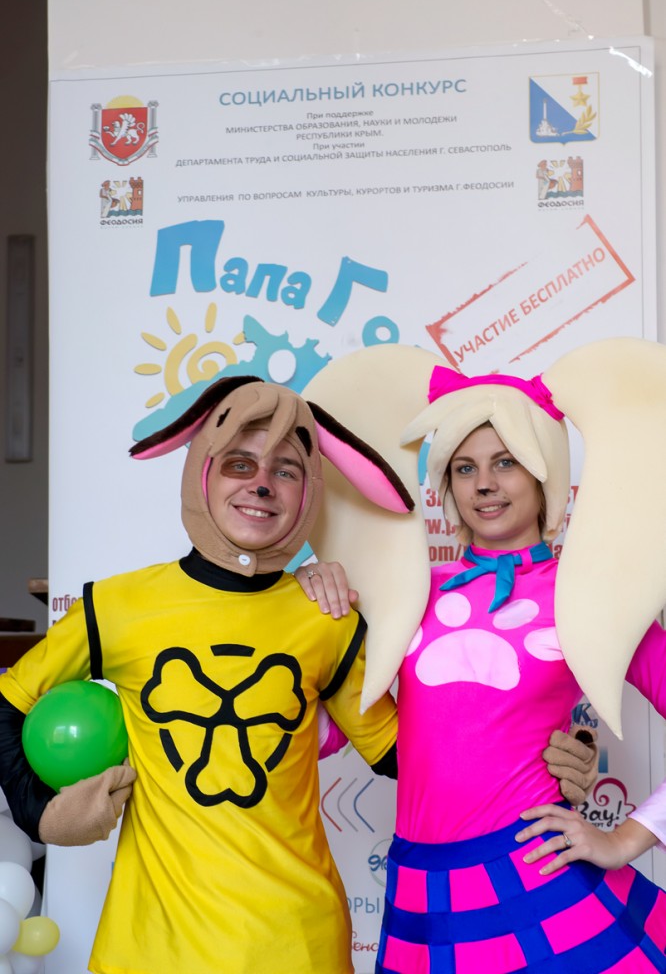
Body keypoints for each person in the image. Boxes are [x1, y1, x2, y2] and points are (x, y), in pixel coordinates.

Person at [0, 375, 597, 974]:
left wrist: (551, 756)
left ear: (310, 491)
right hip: (151, 949)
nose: (261, 484)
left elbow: (411, 753)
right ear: (202, 472)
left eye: (285, 470)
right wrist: (39, 812)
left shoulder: (328, 618)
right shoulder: (116, 606)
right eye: (239, 463)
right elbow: (9, 700)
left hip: (301, 945)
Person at [296, 338, 666, 972]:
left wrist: (627, 838)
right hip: (419, 885)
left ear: (544, 474)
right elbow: (333, 725)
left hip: (538, 876)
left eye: (506, 463)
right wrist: (303, 602)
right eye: (464, 468)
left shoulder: (589, 593)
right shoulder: (404, 589)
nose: (485, 484)